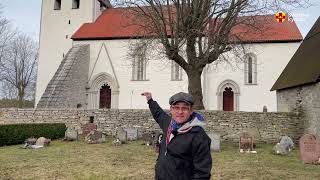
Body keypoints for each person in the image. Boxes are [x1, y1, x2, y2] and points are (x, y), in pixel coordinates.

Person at [141, 91, 212, 180]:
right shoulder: (168, 123)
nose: (180, 112)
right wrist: (150, 100)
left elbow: (202, 173)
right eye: (176, 108)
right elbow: (158, 114)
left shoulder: (198, 136)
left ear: (190, 111)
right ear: (171, 109)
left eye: (185, 108)